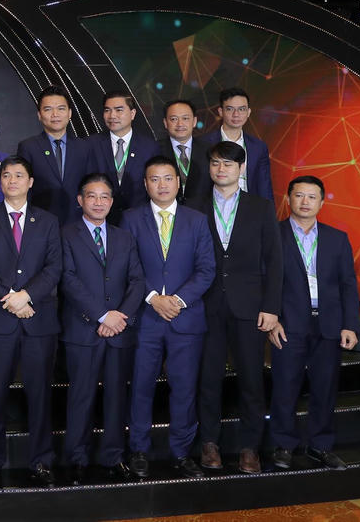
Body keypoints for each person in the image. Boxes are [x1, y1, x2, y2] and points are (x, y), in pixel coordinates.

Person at [192, 141, 282, 474]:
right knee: (208, 378)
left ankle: (249, 448)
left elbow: (275, 261)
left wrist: (271, 307)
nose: (221, 169)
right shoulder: (194, 206)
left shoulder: (261, 207)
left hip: (250, 307)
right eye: (216, 163)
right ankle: (209, 444)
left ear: (241, 168)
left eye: (228, 164)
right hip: (207, 306)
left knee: (251, 380)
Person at [0, 155, 62, 488]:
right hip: (0, 319)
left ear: (31, 182)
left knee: (39, 396)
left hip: (39, 319)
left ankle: (41, 461)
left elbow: (54, 267)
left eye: (19, 175)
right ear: (0, 181)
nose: (12, 181)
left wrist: (26, 296)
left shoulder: (48, 221)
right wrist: (10, 297)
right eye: (7, 175)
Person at [124, 156, 215, 479]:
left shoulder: (197, 220)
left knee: (184, 388)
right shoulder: (130, 218)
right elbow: (128, 266)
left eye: (167, 178)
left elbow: (207, 269)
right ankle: (138, 450)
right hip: (145, 317)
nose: (161, 185)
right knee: (141, 386)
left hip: (185, 318)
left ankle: (181, 452)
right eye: (154, 179)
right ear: (145, 184)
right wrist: (152, 298)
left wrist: (176, 300)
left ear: (178, 182)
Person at [268, 176, 360, 471]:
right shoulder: (273, 235)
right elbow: (263, 281)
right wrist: (272, 320)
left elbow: (348, 284)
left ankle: (320, 446)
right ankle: (283, 444)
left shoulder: (337, 238)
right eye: (299, 195)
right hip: (288, 323)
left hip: (329, 324)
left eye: (311, 197)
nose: (305, 202)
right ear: (288, 199)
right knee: (285, 387)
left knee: (325, 388)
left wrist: (350, 324)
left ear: (321, 202)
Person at [60, 172, 145, 484]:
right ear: (80, 200)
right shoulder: (66, 234)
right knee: (80, 396)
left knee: (116, 397)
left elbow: (137, 280)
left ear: (112, 201)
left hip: (119, 330)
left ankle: (113, 456)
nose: (98, 202)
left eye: (105, 196)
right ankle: (77, 458)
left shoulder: (124, 237)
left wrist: (119, 316)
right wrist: (100, 316)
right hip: (83, 329)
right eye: (92, 196)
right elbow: (68, 279)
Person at [17, 86, 92, 226]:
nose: (55, 114)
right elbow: (24, 190)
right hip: (41, 222)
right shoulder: (28, 147)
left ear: (69, 113)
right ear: (39, 115)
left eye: (61, 109)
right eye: (48, 109)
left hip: (78, 222)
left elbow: (90, 185)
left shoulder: (84, 147)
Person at [192, 87, 274, 202]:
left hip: (248, 206)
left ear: (248, 112)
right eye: (230, 109)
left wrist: (268, 212)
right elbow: (198, 185)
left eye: (242, 109)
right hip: (214, 205)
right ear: (221, 112)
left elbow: (264, 187)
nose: (236, 114)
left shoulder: (258, 147)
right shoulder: (203, 143)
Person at [90, 91, 160, 223]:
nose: (112, 116)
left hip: (139, 220)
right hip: (101, 220)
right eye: (107, 110)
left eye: (119, 110)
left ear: (132, 114)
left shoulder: (149, 147)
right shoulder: (90, 145)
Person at [161, 99, 200, 202]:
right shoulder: (154, 150)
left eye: (185, 118)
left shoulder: (208, 150)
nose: (180, 124)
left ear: (194, 121)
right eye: (174, 119)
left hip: (200, 209)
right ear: (165, 123)